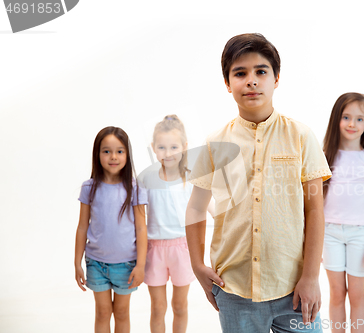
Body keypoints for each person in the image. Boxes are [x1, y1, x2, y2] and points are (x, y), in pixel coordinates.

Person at [185, 33, 332, 333]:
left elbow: (315, 210)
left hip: (293, 288)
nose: (251, 80)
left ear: (276, 79)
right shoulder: (215, 143)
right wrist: (198, 266)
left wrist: (311, 277)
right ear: (228, 84)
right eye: (240, 73)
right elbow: (196, 208)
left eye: (261, 72)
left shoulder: (301, 137)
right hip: (234, 290)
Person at [74, 126, 147, 333]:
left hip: (126, 265)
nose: (113, 156)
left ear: (127, 155)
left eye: (119, 151)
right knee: (103, 312)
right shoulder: (89, 187)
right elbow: (81, 227)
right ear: (97, 155)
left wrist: (140, 265)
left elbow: (141, 228)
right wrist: (77, 262)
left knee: (122, 313)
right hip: (96, 263)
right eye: (106, 151)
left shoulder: (135, 188)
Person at [322, 93, 364, 333]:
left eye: (359, 119)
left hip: (359, 234)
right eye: (346, 117)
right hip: (329, 233)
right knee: (337, 293)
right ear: (337, 119)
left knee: (357, 295)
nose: (351, 124)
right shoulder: (324, 156)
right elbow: (313, 203)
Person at [138, 115, 201, 333]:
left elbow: (206, 207)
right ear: (153, 148)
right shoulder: (145, 178)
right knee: (158, 307)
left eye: (174, 146)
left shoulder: (191, 178)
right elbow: (135, 213)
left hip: (182, 248)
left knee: (179, 305)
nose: (168, 152)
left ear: (184, 147)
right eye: (162, 147)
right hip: (154, 249)